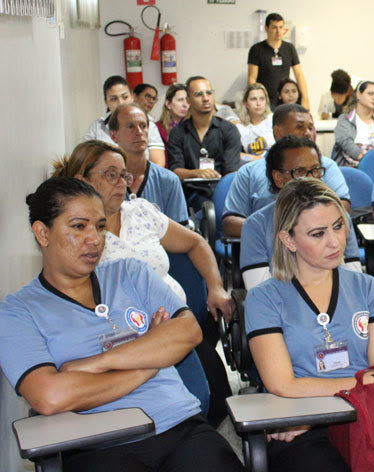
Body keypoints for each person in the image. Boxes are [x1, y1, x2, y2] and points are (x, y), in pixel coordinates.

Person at [0, 177, 244, 472]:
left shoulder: (131, 273)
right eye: (79, 226)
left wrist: (92, 365)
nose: (95, 238)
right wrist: (150, 362)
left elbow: (188, 331)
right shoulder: (17, 311)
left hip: (179, 425)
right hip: (98, 444)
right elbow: (50, 396)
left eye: (100, 226)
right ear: (42, 233)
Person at [244, 178, 374, 472]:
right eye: (318, 234)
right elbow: (283, 385)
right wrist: (361, 386)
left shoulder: (367, 287)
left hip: (362, 416)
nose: (335, 242)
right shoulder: (264, 299)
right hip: (302, 424)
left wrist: (321, 411)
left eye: (339, 226)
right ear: (288, 240)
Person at [53, 140, 233, 322]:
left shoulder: (140, 211)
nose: (121, 183)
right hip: (124, 337)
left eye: (124, 175)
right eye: (111, 175)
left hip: (180, 322)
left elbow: (196, 242)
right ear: (82, 181)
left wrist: (215, 286)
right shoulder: (76, 236)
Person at [239, 136, 361, 289]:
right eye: (300, 171)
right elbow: (258, 291)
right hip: (280, 308)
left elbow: (355, 282)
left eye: (316, 170)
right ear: (278, 178)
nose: (311, 178)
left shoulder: (339, 217)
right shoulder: (256, 225)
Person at [222, 104, 351, 237]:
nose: (307, 133)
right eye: (300, 127)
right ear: (278, 132)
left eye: (310, 128)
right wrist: (277, 231)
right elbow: (230, 223)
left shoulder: (327, 166)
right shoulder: (249, 172)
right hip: (268, 249)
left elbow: (343, 210)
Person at [167, 76, 242, 210]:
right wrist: (197, 173)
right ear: (188, 100)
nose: (205, 98)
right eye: (199, 94)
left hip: (222, 194)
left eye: (209, 93)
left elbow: (231, 173)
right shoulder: (177, 133)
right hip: (189, 196)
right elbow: (175, 171)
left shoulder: (229, 130)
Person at [109, 103, 189, 225]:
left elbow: (182, 235)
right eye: (130, 126)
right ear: (113, 135)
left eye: (143, 126)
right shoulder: (106, 181)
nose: (139, 132)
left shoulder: (168, 180)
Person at [83, 76, 166, 167]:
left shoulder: (147, 125)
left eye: (125, 97)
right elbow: (86, 162)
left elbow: (158, 162)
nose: (120, 103)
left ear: (132, 97)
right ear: (106, 102)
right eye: (114, 99)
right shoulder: (97, 128)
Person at [247, 12, 310, 110]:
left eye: (281, 27)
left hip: (285, 100)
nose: (278, 31)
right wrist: (252, 101)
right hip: (265, 101)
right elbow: (252, 78)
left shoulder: (289, 48)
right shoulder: (257, 49)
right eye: (274, 27)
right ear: (266, 29)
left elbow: (299, 75)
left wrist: (305, 99)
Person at [333, 80, 374, 167]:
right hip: (352, 168)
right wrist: (367, 160)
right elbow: (345, 143)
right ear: (358, 95)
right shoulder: (345, 119)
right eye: (370, 94)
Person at [237, 82, 273, 160]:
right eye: (253, 99)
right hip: (251, 167)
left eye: (262, 99)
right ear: (245, 103)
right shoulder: (240, 127)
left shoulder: (273, 120)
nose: (258, 103)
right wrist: (259, 160)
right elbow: (236, 154)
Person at [156, 83, 190, 154]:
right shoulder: (156, 128)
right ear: (168, 104)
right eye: (180, 100)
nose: (185, 105)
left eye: (187, 101)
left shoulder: (193, 127)